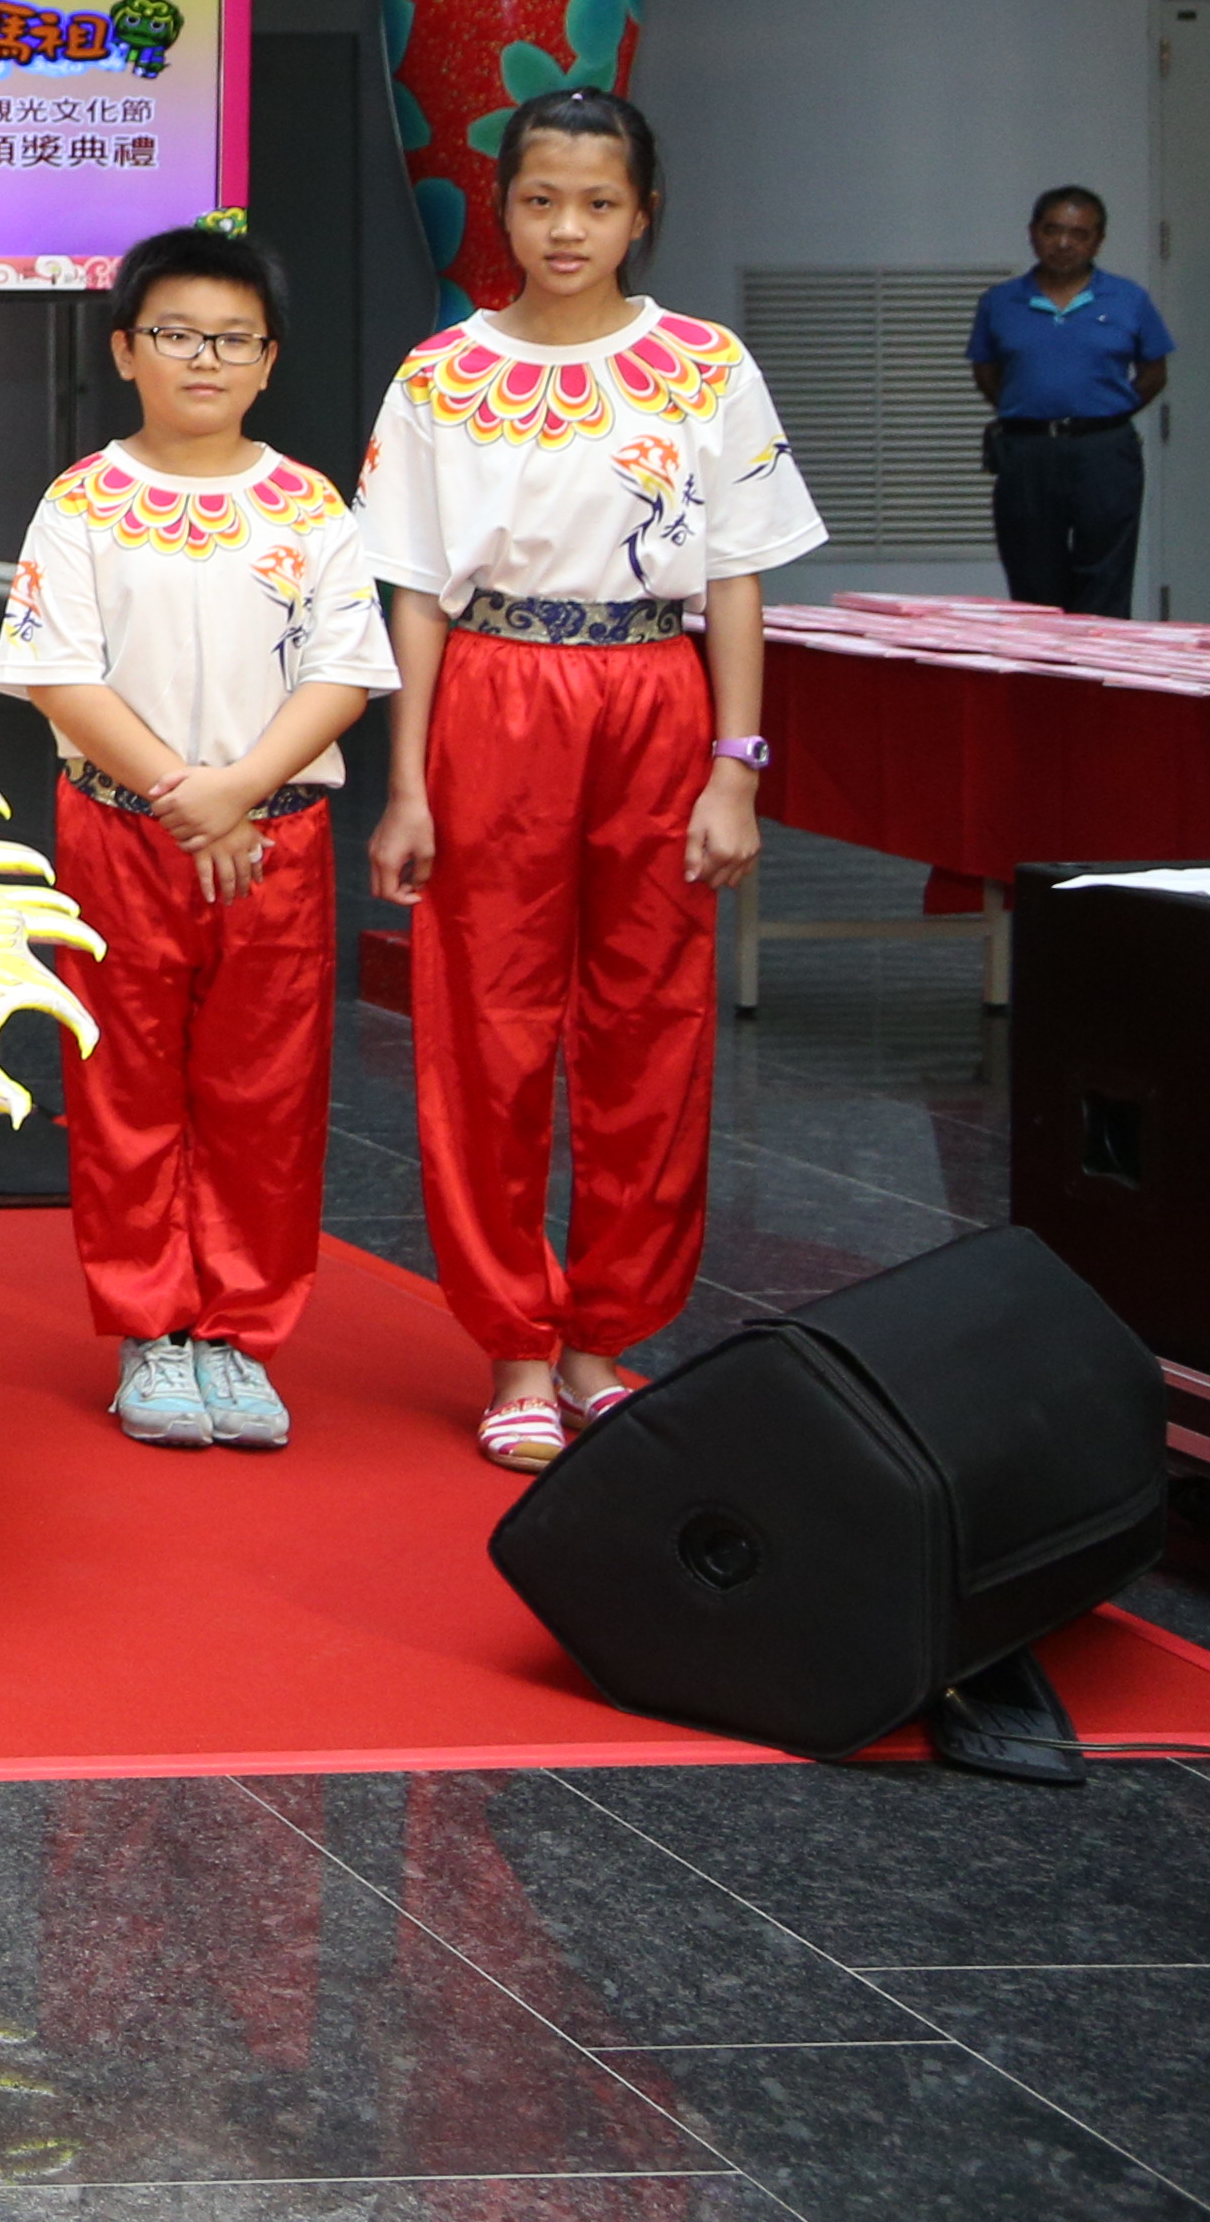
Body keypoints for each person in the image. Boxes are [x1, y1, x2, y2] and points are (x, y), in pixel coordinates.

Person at [361, 89, 822, 1473]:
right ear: (501, 209)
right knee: (485, 1026)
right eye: (542, 200)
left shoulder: (704, 366)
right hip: (493, 694)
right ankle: (513, 1344)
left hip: (656, 697)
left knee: (650, 1024)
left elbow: (734, 581)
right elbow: (414, 596)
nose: (568, 228)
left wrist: (736, 767)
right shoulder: (440, 375)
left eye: (599, 203)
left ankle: (603, 1342)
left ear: (643, 213)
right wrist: (407, 785)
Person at [0, 224, 395, 1453]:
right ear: (125, 350)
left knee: (264, 1092)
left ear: (269, 361)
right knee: (126, 1085)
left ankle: (240, 1332)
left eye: (233, 340)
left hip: (275, 836)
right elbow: (59, 675)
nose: (204, 360)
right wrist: (186, 791)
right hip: (123, 830)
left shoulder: (308, 505)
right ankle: (151, 1329)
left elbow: (345, 672)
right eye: (176, 335)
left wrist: (241, 791)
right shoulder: (83, 501)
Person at [970, 184, 1167, 616]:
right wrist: (1031, 411)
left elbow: (1154, 374)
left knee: (1106, 575)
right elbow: (985, 371)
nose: (1063, 243)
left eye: (1079, 234)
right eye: (1052, 230)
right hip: (1027, 451)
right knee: (1032, 579)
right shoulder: (1000, 302)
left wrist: (1105, 413)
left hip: (1105, 451)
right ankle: (1042, 660)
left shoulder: (1129, 299)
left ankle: (1100, 659)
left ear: (1098, 241)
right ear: (1033, 233)